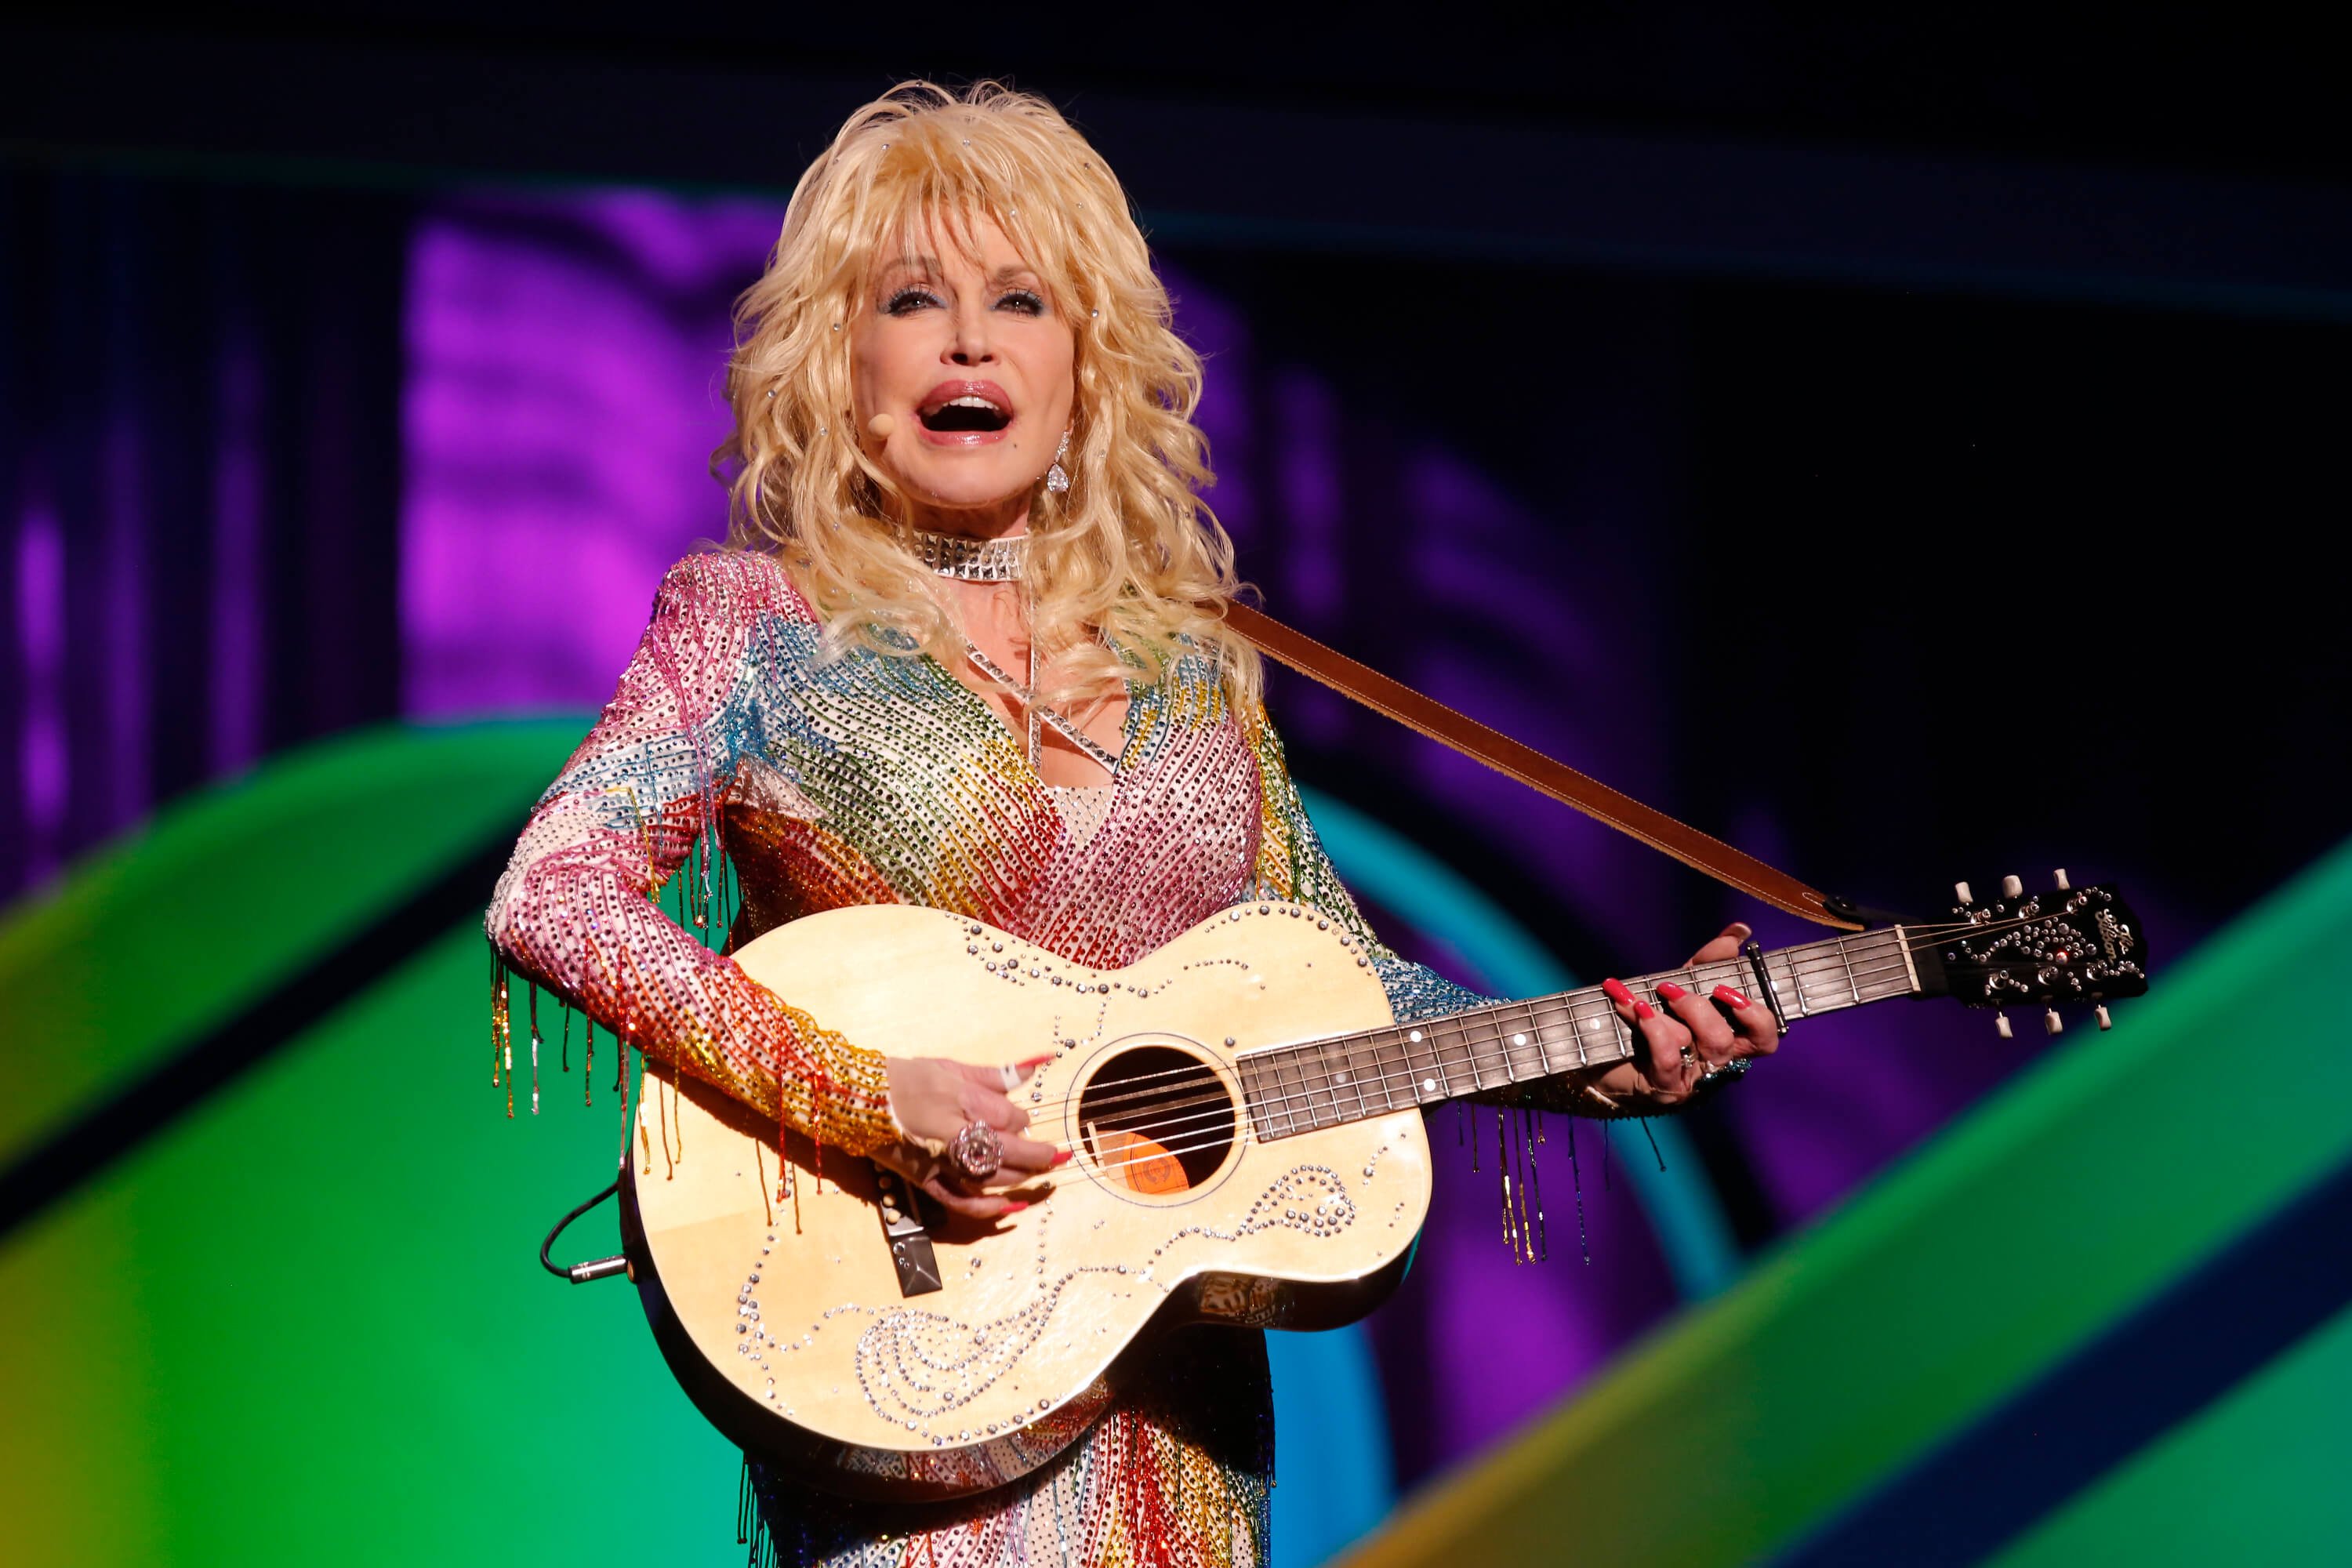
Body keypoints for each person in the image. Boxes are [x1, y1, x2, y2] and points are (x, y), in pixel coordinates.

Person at [485, 78, 1780, 1568]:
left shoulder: (1193, 659)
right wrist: (864, 1090)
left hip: (1178, 1382)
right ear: (841, 362)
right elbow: (555, 892)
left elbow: (1329, 988)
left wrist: (1589, 1050)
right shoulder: (755, 629)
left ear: (1087, 363)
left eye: (1021, 301)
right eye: (914, 299)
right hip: (918, 1365)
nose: (970, 340)